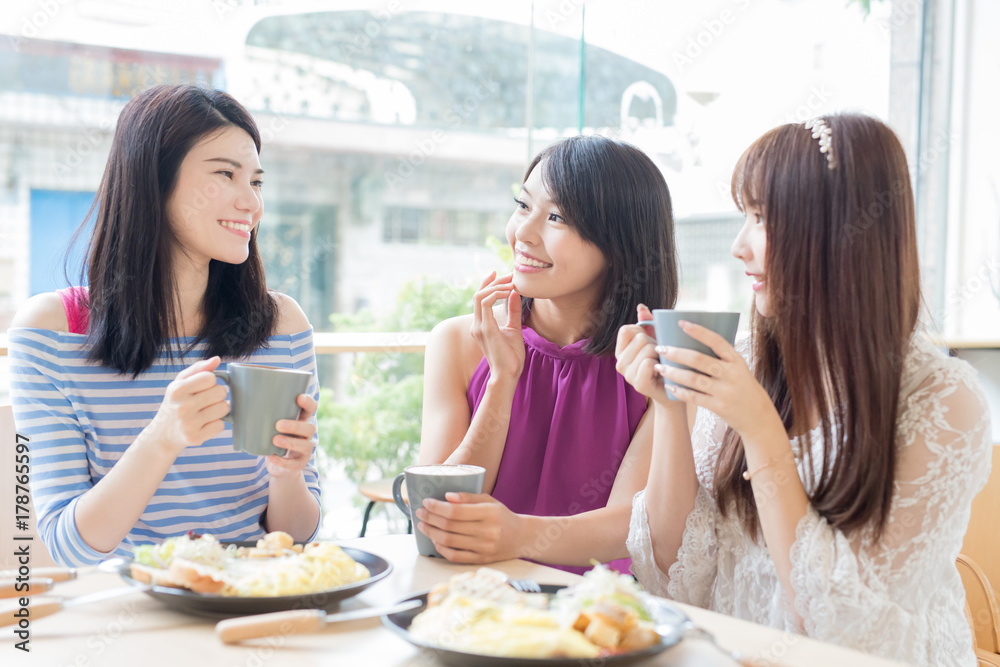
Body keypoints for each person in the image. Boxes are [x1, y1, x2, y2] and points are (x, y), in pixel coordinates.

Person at [615, 114, 991, 666]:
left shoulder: (943, 402)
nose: (740, 246)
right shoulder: (751, 359)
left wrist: (763, 430)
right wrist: (670, 408)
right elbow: (675, 576)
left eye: (762, 219)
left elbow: (845, 631)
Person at [8, 85, 322, 567]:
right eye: (225, 174)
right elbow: (68, 546)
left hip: (255, 595)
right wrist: (162, 437)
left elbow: (297, 537)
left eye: (256, 182)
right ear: (153, 179)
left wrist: (286, 475)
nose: (251, 203)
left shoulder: (281, 325)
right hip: (130, 610)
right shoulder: (52, 333)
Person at [416, 135, 680, 573]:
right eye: (523, 206)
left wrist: (517, 534)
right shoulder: (458, 343)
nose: (522, 233)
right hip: (468, 600)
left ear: (620, 245)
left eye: (556, 216)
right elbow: (435, 513)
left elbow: (631, 527)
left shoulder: (655, 365)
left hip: (588, 617)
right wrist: (501, 380)